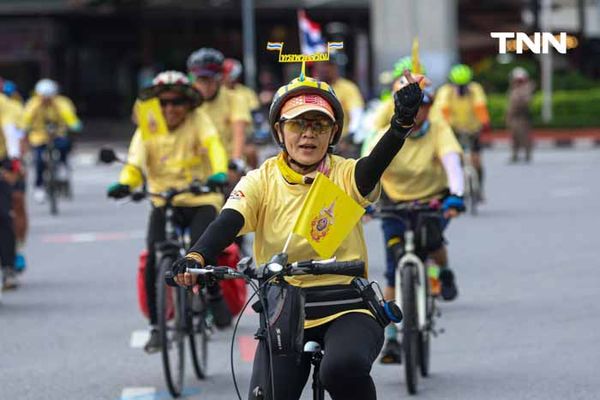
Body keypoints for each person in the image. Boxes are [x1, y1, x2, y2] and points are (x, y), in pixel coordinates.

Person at [171, 68, 424, 400]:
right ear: (279, 130)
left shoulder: (345, 174)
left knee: (341, 368)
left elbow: (374, 164)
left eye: (319, 125)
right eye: (298, 124)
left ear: (333, 133)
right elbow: (228, 221)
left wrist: (400, 125)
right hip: (283, 310)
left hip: (349, 305)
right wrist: (196, 255)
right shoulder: (260, 180)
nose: (308, 134)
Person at [106, 71, 230, 353]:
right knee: (153, 259)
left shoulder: (199, 119)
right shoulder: (148, 126)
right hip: (164, 200)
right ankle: (157, 328)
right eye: (163, 103)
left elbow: (214, 146)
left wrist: (220, 172)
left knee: (204, 248)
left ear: (187, 104)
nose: (170, 108)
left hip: (200, 197)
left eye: (176, 102)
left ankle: (213, 292)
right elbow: (135, 163)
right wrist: (126, 184)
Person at [366, 66, 465, 364]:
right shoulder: (388, 132)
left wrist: (456, 196)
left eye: (423, 106)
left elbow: (452, 164)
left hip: (432, 200)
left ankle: (444, 273)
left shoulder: (438, 129)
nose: (418, 112)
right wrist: (363, 200)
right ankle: (393, 339)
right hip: (395, 203)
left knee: (433, 242)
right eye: (412, 105)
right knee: (394, 265)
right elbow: (368, 166)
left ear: (431, 107)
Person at [186, 48, 252, 172]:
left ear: (220, 78)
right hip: (196, 167)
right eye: (200, 80)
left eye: (209, 80)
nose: (205, 86)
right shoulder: (187, 104)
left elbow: (239, 132)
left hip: (227, 164)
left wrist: (236, 159)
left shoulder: (235, 99)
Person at [21, 79, 81, 203]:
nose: (47, 99)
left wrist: (74, 124)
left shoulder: (62, 102)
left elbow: (69, 116)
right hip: (39, 135)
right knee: (38, 160)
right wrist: (24, 127)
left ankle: (63, 165)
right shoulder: (33, 103)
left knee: (64, 145)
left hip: (58, 133)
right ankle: (39, 187)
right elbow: (26, 119)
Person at [435, 64, 490, 199]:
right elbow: (443, 111)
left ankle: (479, 190)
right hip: (453, 130)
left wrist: (484, 122)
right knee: (454, 160)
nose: (461, 89)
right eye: (458, 86)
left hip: (473, 128)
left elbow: (480, 107)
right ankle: (455, 189)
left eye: (464, 86)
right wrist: (448, 127)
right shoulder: (445, 92)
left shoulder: (475, 89)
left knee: (476, 160)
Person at [313, 58, 365, 158]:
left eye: (328, 65)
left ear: (335, 67)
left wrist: (349, 136)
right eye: (321, 65)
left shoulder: (347, 87)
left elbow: (357, 113)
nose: (324, 69)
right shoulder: (312, 87)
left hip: (340, 142)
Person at [1, 82, 28, 272]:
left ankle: (11, 258)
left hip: (6, 159)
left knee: (10, 207)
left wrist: (14, 160)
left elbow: (13, 134)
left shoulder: (9, 106)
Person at [223, 57, 260, 169]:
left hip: (245, 136)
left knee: (251, 152)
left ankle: (254, 175)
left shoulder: (246, 92)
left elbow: (255, 114)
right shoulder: (219, 94)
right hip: (223, 135)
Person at [0, 94, 19, 294]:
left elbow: (10, 131)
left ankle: (8, 267)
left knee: (3, 216)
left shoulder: (2, 103)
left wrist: (13, 158)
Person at [506, 67, 534, 163]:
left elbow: (526, 102)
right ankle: (515, 154)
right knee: (514, 136)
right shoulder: (514, 89)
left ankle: (527, 154)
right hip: (514, 117)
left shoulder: (526, 89)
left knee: (524, 136)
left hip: (521, 116)